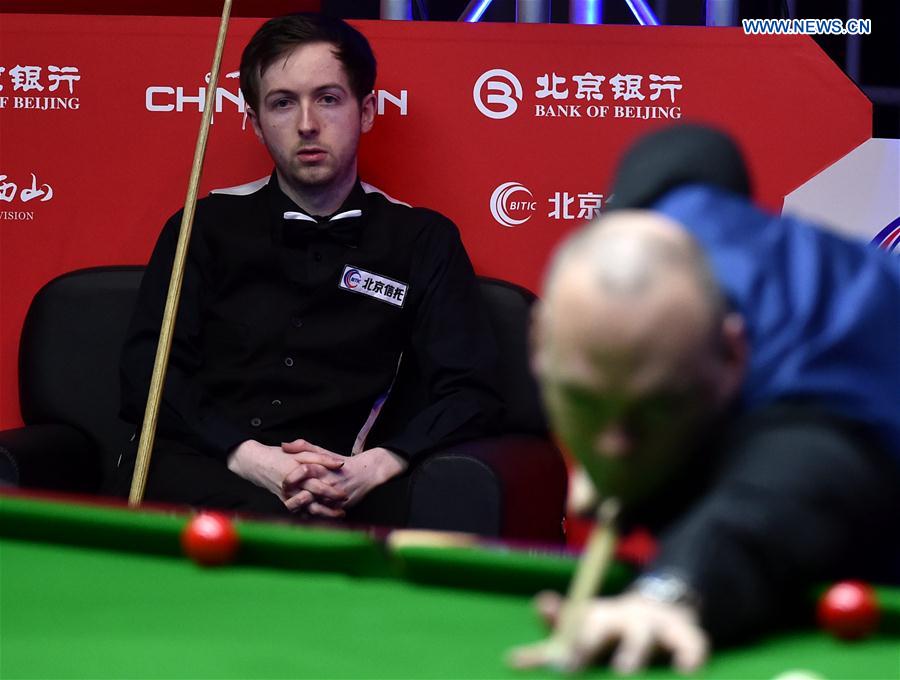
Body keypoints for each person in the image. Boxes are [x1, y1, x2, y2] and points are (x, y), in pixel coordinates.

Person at [511, 125, 900, 673]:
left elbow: (765, 511)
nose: (613, 445)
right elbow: (696, 147)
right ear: (537, 341)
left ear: (731, 358)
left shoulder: (807, 421)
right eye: (585, 401)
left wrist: (669, 591)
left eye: (655, 409)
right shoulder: (668, 209)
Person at [116, 13, 502, 523]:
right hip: (218, 470)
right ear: (254, 122)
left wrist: (377, 464)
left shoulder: (423, 239)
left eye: (327, 98)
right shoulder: (201, 226)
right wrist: (253, 459)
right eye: (282, 103)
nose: (306, 124)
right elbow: (149, 372)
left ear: (364, 111)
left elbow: (472, 391)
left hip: (358, 483)